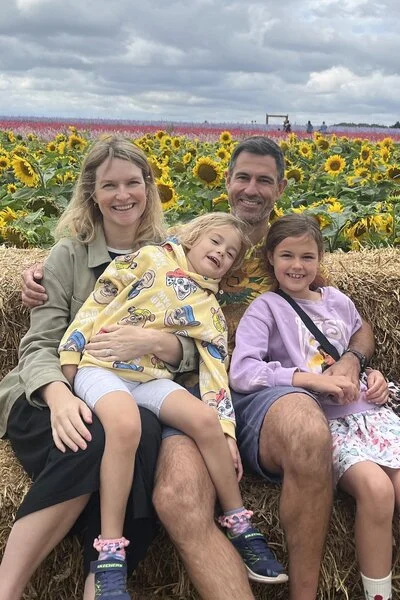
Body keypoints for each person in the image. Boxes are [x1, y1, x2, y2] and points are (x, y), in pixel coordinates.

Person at [20, 136, 377, 600]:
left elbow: (347, 320)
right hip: (182, 386)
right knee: (178, 497)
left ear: (280, 187)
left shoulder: (286, 250)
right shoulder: (186, 240)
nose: (252, 189)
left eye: (264, 180)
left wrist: (352, 359)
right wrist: (42, 271)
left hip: (260, 391)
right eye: (243, 177)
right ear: (226, 181)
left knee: (308, 432)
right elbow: (113, 267)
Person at [0, 135, 196, 600]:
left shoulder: (171, 258)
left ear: (148, 187)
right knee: (89, 438)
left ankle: (102, 583)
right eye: (109, 185)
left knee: (143, 438)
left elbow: (197, 343)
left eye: (132, 183)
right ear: (92, 193)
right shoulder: (68, 256)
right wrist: (59, 396)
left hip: (130, 392)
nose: (122, 195)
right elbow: (39, 345)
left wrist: (159, 342)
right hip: (46, 392)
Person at [58, 212, 287, 593]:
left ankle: (239, 523)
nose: (221, 253)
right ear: (193, 237)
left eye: (231, 253)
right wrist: (70, 358)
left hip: (149, 379)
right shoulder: (149, 258)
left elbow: (215, 374)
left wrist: (227, 431)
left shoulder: (209, 309)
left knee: (204, 421)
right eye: (215, 241)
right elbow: (99, 299)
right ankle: (110, 552)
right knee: (125, 424)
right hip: (101, 367)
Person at [229, 214, 394, 600]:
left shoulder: (339, 301)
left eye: (308, 257)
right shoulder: (266, 308)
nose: (297, 266)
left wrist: (374, 377)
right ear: (270, 258)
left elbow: (355, 349)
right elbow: (243, 372)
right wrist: (308, 379)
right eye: (287, 255)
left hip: (370, 416)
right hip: (329, 425)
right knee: (377, 491)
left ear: (320, 259)